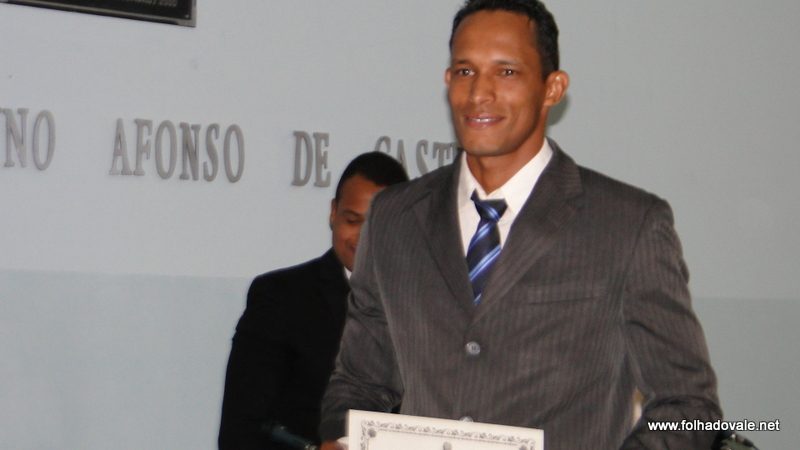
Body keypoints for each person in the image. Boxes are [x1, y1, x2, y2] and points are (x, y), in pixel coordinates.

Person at [319, 1, 722, 449]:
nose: (479, 93)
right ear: (448, 80)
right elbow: (359, 382)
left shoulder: (628, 225)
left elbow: (691, 409)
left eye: (506, 72)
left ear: (553, 88)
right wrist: (341, 437)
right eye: (465, 71)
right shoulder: (395, 217)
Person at [218, 152, 408, 450]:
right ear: (333, 213)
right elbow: (239, 432)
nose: (364, 238)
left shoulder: (433, 306)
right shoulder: (281, 298)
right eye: (352, 220)